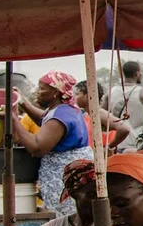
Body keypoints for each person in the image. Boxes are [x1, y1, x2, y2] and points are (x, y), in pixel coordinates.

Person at [10, 71, 95, 216]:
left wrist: (13, 119)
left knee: (65, 218)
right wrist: (22, 101)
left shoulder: (61, 116)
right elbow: (44, 119)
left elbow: (37, 148)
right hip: (70, 174)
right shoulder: (65, 109)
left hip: (63, 177)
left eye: (42, 89)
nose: (38, 92)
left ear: (55, 92)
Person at [106, 60, 143, 154]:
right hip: (138, 145)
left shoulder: (111, 93)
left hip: (115, 144)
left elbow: (102, 117)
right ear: (137, 73)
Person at [75, 81, 130, 151]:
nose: (75, 98)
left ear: (87, 96)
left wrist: (109, 146)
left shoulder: (99, 113)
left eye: (77, 94)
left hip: (103, 159)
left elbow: (124, 129)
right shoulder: (86, 115)